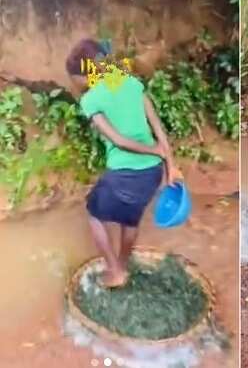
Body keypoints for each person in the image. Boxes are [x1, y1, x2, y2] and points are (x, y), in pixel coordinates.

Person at [66, 39, 183, 287]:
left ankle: (115, 270)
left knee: (94, 214)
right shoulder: (130, 82)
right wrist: (168, 163)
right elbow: (157, 127)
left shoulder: (90, 100)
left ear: (85, 74)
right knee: (130, 219)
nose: (74, 84)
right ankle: (121, 265)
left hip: (125, 172)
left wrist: (155, 150)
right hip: (151, 172)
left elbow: (118, 141)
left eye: (74, 78)